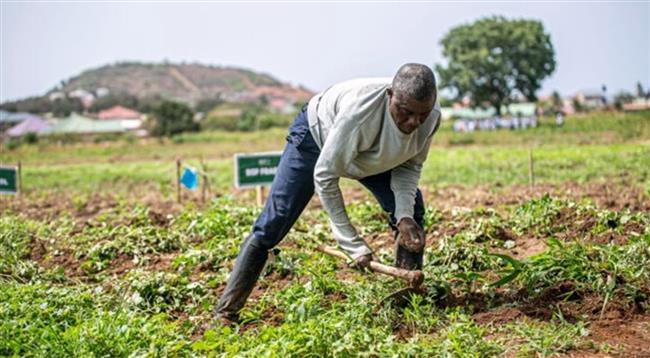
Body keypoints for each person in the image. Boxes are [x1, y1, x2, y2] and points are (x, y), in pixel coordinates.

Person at [215, 63, 441, 324]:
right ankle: (226, 312)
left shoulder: (431, 117)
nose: (414, 122)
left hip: (370, 153)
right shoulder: (359, 112)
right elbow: (325, 175)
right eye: (405, 112)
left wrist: (403, 216)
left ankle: (407, 302)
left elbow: (409, 167)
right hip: (317, 139)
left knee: (413, 212)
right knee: (274, 222)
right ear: (390, 95)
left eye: (421, 115)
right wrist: (351, 243)